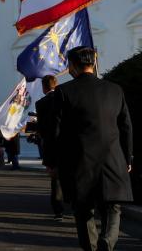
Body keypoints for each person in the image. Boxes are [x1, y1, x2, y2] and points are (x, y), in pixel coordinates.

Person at [48, 47, 133, 251]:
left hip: (79, 162)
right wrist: (127, 158)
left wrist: (52, 162)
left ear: (73, 65)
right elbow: (126, 126)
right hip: (112, 159)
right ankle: (108, 241)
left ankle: (91, 248)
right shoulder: (115, 90)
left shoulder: (63, 92)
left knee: (83, 210)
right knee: (113, 207)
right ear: (93, 63)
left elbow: (55, 133)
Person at [35, 74, 64, 222]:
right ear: (56, 84)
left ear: (44, 87)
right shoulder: (65, 98)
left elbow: (42, 130)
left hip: (51, 144)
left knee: (56, 180)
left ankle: (58, 210)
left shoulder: (41, 103)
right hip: (67, 142)